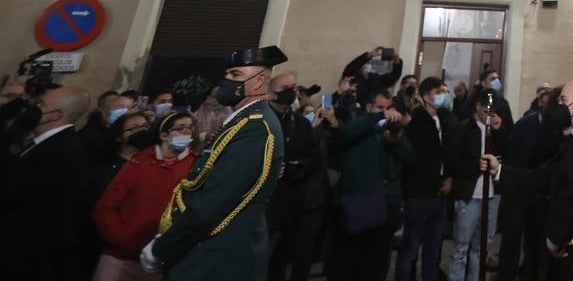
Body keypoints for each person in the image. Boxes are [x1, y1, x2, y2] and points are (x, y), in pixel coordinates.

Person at [140, 46, 287, 280]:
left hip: (215, 256)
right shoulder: (244, 121)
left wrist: (161, 249)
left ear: (258, 82)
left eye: (236, 75)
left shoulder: (257, 128)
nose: (227, 80)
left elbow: (214, 202)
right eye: (227, 74)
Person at [484, 77, 573, 281]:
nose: (560, 106)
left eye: (564, 100)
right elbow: (547, 175)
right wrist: (501, 171)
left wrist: (555, 239)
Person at [0, 84, 92, 280]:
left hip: (22, 252)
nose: (32, 108)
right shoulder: (49, 143)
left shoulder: (60, 150)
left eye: (40, 104)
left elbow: (9, 188)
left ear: (55, 115)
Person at [93, 111, 197, 281]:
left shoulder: (195, 166)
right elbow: (105, 206)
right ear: (163, 135)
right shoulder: (139, 162)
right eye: (180, 128)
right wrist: (122, 240)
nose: (187, 132)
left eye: (190, 128)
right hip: (119, 257)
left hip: (158, 261)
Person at [329, 91, 415, 281]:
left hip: (385, 205)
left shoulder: (393, 132)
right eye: (380, 108)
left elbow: (410, 157)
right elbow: (347, 133)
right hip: (358, 203)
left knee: (377, 261)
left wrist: (395, 140)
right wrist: (378, 116)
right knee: (348, 259)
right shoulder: (360, 127)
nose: (386, 113)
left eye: (388, 108)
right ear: (369, 107)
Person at [497, 87, 561, 281]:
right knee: (511, 240)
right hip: (518, 193)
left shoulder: (558, 128)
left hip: (540, 196)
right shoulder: (525, 123)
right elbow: (512, 154)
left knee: (535, 243)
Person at [396, 78, 454, 281]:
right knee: (410, 249)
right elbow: (418, 161)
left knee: (433, 251)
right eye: (439, 91)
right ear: (427, 96)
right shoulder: (417, 122)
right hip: (419, 194)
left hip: (440, 195)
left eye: (445, 90)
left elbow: (447, 153)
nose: (444, 94)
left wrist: (448, 178)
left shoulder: (444, 118)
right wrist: (440, 183)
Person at [267, 72, 322, 281]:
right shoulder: (260, 121)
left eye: (294, 87)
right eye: (285, 88)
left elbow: (313, 157)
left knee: (280, 263)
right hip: (265, 205)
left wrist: (296, 168)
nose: (291, 92)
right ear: (271, 94)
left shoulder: (300, 123)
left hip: (291, 202)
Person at [448, 88, 506, 281]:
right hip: (469, 195)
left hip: (492, 196)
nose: (489, 115)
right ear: (478, 106)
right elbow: (452, 163)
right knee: (461, 248)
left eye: (493, 112)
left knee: (482, 248)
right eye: (486, 111)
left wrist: (500, 131)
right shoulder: (462, 127)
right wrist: (475, 166)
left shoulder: (496, 130)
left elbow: (510, 156)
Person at [455, 68, 514, 139]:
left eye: (497, 79)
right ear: (483, 83)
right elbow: (464, 117)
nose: (496, 81)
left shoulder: (503, 102)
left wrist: (499, 127)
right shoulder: (473, 99)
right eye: (492, 79)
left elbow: (509, 128)